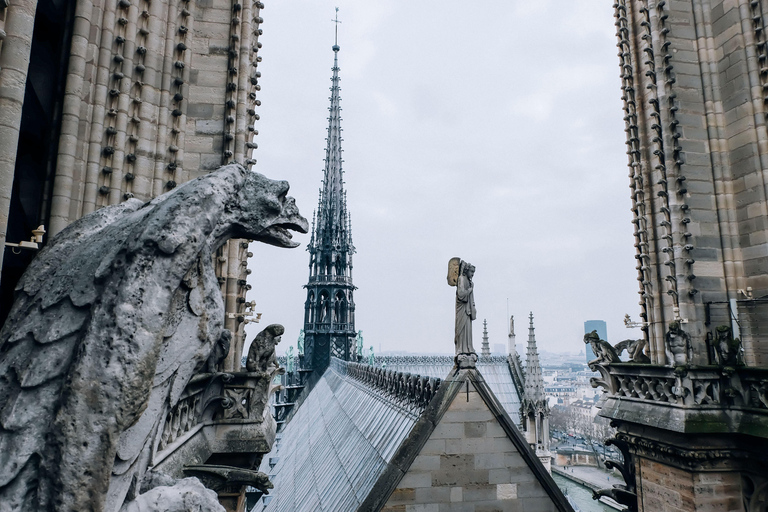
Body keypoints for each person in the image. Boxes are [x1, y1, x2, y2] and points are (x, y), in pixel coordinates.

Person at [455, 261, 477, 355]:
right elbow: (461, 295)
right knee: (462, 330)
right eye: (471, 271)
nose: (472, 274)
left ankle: (468, 349)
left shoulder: (469, 281)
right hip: (462, 310)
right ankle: (461, 349)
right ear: (467, 270)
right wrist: (470, 289)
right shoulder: (461, 279)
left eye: (473, 272)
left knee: (468, 331)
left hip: (467, 311)